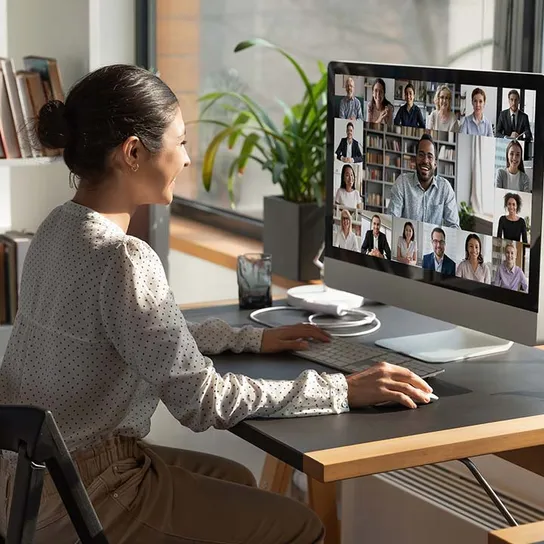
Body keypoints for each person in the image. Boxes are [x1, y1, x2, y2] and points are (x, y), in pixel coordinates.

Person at [0, 64, 433, 544]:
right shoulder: (124, 257)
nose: (187, 159)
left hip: (27, 483)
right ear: (134, 153)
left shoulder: (56, 228)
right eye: (180, 142)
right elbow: (202, 402)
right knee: (300, 528)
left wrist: (250, 339)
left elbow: (138, 335)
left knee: (236, 480)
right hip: (88, 492)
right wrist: (341, 390)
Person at [387, 134, 460, 228]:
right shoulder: (402, 183)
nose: (425, 161)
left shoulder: (445, 188)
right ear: (415, 159)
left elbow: (454, 226)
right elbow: (392, 220)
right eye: (421, 155)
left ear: (435, 163)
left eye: (430, 156)